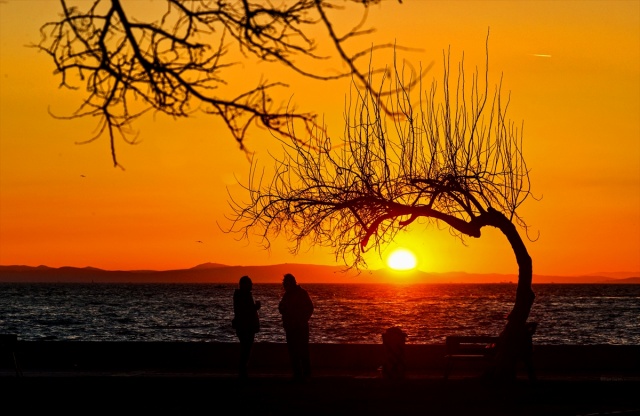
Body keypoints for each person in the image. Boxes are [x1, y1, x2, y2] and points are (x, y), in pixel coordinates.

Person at [278, 273, 314, 382]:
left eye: (287, 283)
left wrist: (302, 320)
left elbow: (310, 308)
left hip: (300, 327)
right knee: (293, 352)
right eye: (285, 283)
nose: (285, 285)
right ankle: (298, 373)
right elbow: (282, 308)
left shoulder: (301, 293)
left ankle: (306, 374)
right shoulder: (287, 295)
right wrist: (283, 309)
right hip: (291, 327)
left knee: (302, 351)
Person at [232, 275, 261, 379]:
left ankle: (243, 372)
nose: (252, 285)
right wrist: (255, 307)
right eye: (250, 283)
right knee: (246, 350)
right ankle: (242, 373)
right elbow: (245, 311)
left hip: (244, 326)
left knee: (246, 350)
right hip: (245, 327)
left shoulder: (240, 295)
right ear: (244, 284)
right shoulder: (243, 295)